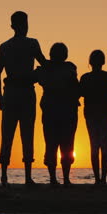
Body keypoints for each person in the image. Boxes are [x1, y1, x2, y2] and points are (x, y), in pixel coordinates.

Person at [0, 11, 47, 186]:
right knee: (26, 133)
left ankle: (4, 176)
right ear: (25, 25)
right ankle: (26, 177)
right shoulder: (32, 43)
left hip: (11, 93)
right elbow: (44, 64)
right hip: (24, 92)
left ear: (12, 26)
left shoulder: (5, 46)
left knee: (7, 134)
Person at [36, 43, 79, 186]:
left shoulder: (46, 69)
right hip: (66, 111)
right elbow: (76, 86)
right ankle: (64, 179)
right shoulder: (70, 68)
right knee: (66, 144)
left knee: (52, 144)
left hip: (52, 110)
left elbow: (38, 78)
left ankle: (54, 178)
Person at [80, 50, 107, 185]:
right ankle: (103, 178)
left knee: (94, 145)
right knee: (104, 145)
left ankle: (97, 179)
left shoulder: (85, 78)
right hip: (104, 113)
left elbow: (79, 92)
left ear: (90, 62)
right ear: (103, 62)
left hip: (91, 114)